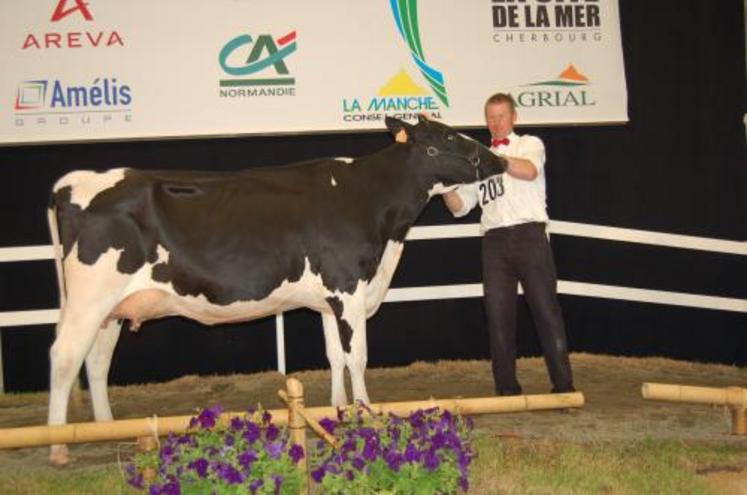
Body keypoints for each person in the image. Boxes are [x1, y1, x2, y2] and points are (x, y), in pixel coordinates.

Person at [442, 93, 575, 396]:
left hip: (529, 235)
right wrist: (446, 185)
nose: (496, 122)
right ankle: (506, 389)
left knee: (545, 309)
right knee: (498, 315)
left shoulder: (529, 144)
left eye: (501, 116)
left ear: (514, 117)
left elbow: (528, 171)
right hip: (494, 241)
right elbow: (460, 206)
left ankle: (564, 386)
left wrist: (491, 159)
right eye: (490, 117)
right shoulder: (478, 160)